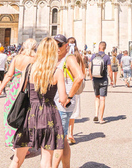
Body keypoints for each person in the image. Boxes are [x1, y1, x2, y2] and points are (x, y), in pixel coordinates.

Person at [10, 37, 69, 168]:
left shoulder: (29, 68)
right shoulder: (57, 72)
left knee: (17, 160)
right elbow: (63, 99)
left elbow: (20, 90)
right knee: (46, 161)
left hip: (30, 114)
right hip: (49, 115)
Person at [52, 34, 84, 168]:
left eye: (59, 45)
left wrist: (69, 97)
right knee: (63, 139)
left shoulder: (69, 58)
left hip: (63, 105)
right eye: (55, 45)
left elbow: (80, 77)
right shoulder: (56, 59)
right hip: (55, 103)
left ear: (66, 46)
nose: (57, 48)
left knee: (59, 140)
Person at [0, 38, 37, 147]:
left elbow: (9, 75)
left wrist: (0, 90)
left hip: (15, 87)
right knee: (26, 113)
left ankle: (11, 139)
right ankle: (23, 142)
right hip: (28, 86)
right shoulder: (36, 59)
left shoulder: (17, 58)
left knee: (11, 111)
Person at [66, 47, 87, 145]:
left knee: (62, 110)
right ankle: (70, 134)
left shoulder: (65, 58)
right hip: (75, 85)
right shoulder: (79, 58)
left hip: (65, 85)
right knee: (72, 112)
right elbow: (83, 73)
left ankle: (64, 134)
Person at [89, 41, 111, 124]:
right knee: (102, 98)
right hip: (103, 79)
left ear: (99, 47)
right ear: (105, 48)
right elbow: (109, 70)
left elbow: (90, 67)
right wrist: (112, 80)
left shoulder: (94, 56)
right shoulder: (107, 57)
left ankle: (96, 114)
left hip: (95, 79)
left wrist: (91, 77)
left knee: (96, 97)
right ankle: (101, 118)